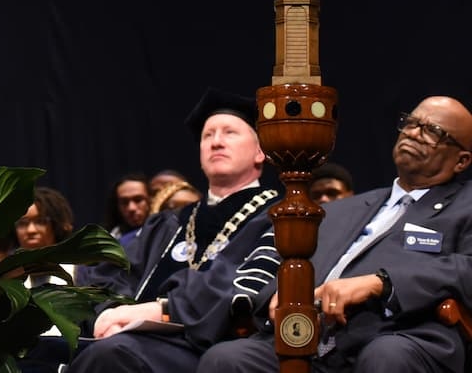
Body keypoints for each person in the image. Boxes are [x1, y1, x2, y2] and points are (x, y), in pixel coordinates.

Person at [198, 95, 472, 373]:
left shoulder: (466, 205)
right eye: (411, 123)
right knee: (226, 358)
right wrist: (286, 291)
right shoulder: (341, 210)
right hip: (309, 336)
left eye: (433, 131)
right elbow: (292, 263)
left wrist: (381, 283)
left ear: (461, 161)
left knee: (386, 356)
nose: (414, 133)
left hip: (397, 333)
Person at [70, 87, 282, 373]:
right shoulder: (170, 222)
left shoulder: (278, 218)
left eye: (229, 133)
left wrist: (158, 309)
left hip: (215, 347)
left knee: (110, 356)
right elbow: (116, 273)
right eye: (208, 135)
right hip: (136, 340)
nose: (216, 142)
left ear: (260, 152)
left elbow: (242, 287)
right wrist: (109, 312)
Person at [14, 186, 78, 373]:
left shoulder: (82, 274)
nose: (31, 230)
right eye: (23, 223)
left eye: (40, 221)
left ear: (57, 224)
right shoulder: (2, 278)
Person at [103, 172, 150, 253]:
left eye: (138, 200)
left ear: (151, 200)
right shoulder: (106, 239)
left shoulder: (162, 233)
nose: (131, 208)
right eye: (124, 202)